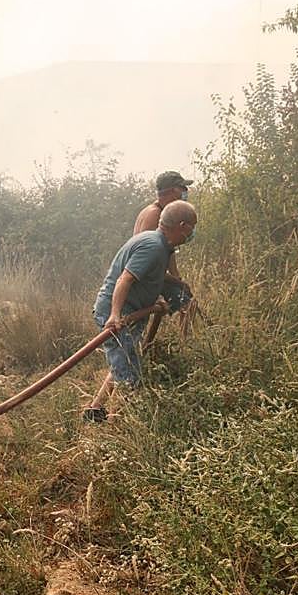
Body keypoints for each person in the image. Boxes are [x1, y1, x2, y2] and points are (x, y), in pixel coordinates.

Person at [83, 200, 198, 423]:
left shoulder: (162, 247)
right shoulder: (153, 247)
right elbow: (125, 278)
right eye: (192, 227)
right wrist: (115, 315)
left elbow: (150, 276)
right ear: (182, 226)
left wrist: (170, 291)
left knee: (124, 362)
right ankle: (118, 430)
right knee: (129, 376)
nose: (192, 233)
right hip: (117, 314)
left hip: (132, 310)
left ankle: (95, 411)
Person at [134, 170, 195, 330]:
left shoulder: (162, 214)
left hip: (155, 274)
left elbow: (168, 251)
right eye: (183, 189)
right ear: (173, 191)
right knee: (186, 304)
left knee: (186, 299)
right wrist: (177, 282)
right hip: (146, 276)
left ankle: (180, 344)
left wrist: (177, 278)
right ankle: (185, 346)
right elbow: (146, 259)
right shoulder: (154, 215)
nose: (186, 193)